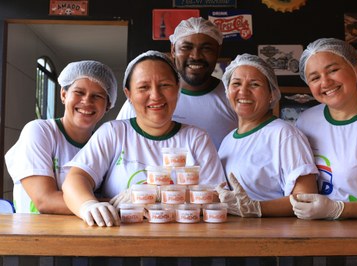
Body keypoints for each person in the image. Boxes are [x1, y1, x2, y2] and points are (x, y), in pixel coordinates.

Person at [62, 51, 225, 227]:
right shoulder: (113, 133)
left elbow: (218, 195)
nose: (155, 95)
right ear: (129, 94)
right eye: (143, 87)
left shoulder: (196, 139)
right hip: (120, 242)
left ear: (177, 89)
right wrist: (88, 205)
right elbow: (76, 179)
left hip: (183, 242)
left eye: (164, 85)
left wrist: (156, 194)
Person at [289, 38, 357, 220]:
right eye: (315, 77)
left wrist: (338, 209)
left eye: (333, 70)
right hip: (314, 232)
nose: (325, 82)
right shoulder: (306, 121)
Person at [4, 60, 118, 214]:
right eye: (79, 92)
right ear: (64, 95)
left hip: (81, 234)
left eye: (97, 96)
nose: (86, 101)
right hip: (35, 234)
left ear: (108, 105)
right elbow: (45, 200)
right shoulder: (40, 131)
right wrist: (117, 203)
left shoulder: (104, 144)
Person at [215, 53, 319, 217]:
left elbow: (307, 198)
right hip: (236, 235)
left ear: (271, 94)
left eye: (254, 84)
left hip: (274, 236)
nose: (243, 91)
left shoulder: (283, 134)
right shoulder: (228, 140)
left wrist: (256, 208)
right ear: (228, 91)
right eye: (236, 83)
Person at [116, 17, 238, 149]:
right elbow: (118, 146)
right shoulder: (145, 100)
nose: (196, 56)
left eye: (206, 48)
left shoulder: (234, 99)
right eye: (186, 47)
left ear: (218, 51)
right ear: (173, 50)